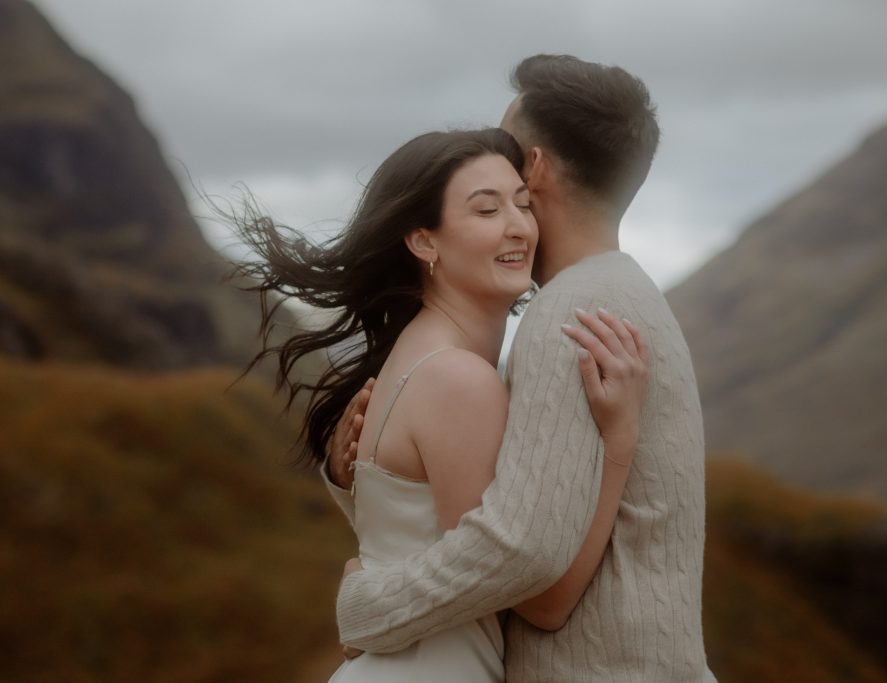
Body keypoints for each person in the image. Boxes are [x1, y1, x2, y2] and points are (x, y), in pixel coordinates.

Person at [327, 55, 715, 682]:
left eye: (510, 152)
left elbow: (527, 568)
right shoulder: (617, 293)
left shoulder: (576, 310)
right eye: (485, 208)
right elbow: (491, 538)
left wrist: (367, 604)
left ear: (532, 169)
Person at [233, 127, 649, 681]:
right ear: (424, 242)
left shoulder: (419, 358)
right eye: (485, 210)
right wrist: (619, 437)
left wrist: (368, 586)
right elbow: (542, 604)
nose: (518, 227)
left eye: (523, 204)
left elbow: (414, 531)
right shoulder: (459, 380)